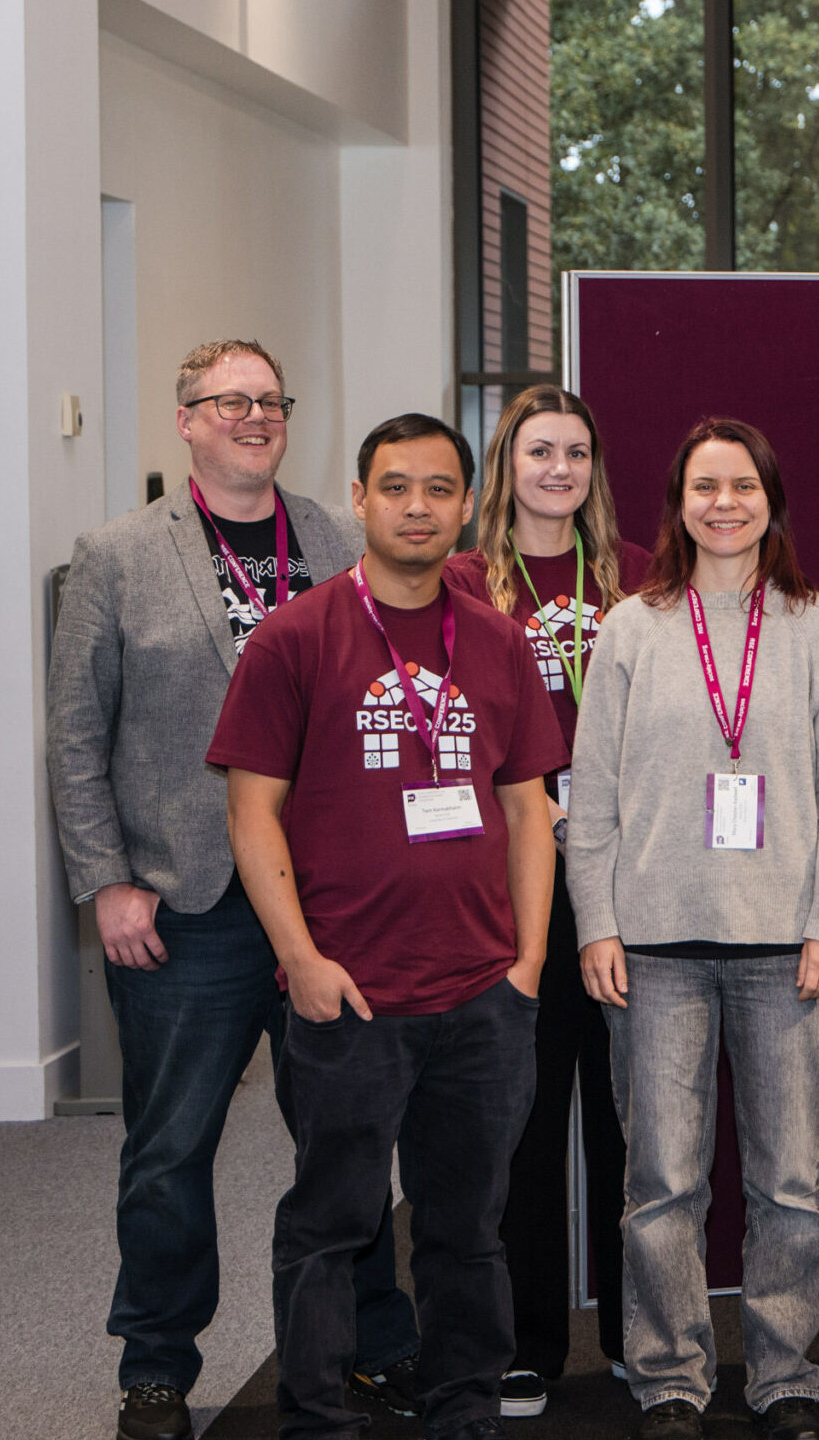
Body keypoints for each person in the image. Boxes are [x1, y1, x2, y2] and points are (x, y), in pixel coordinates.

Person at [47, 339, 416, 1440]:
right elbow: (74, 735)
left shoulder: (340, 542)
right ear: (188, 420)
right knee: (169, 1151)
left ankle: (365, 1349)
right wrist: (105, 881)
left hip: (328, 904)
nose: (255, 416)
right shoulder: (114, 556)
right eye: (230, 402)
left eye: (271, 400)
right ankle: (156, 1366)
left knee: (349, 1142)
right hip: (186, 905)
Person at [208, 413, 564, 1440]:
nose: (418, 507)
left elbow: (529, 808)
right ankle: (316, 1417)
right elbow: (250, 809)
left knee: (466, 1231)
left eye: (439, 489)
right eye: (396, 487)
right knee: (332, 1226)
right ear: (358, 500)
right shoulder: (294, 638)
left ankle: (464, 1414)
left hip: (481, 1001)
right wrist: (300, 961)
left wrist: (528, 963)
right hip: (348, 995)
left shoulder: (498, 642)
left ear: (465, 505)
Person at [568, 418, 819, 1440]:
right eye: (706, 487)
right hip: (652, 947)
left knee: (790, 1182)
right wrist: (594, 926)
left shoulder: (818, 624)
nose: (725, 504)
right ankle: (670, 1380)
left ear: (773, 500)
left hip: (787, 945)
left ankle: (785, 1372)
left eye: (744, 485)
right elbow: (593, 795)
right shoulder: (631, 628)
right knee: (660, 1181)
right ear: (678, 502)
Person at [443, 384, 653, 1417]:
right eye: (538, 453)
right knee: (520, 1123)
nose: (558, 470)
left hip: (627, 883)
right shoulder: (462, 582)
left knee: (631, 1120)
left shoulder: (644, 580)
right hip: (514, 884)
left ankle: (633, 1332)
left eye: (575, 452)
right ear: (507, 467)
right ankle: (526, 1341)